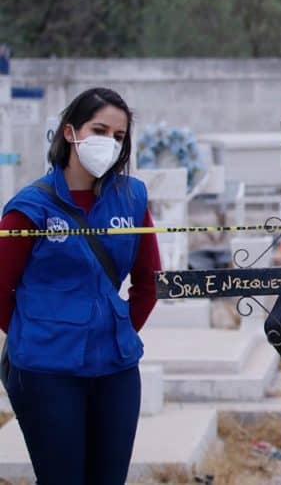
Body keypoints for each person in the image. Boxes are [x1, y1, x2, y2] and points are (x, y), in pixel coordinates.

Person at [0, 87, 162, 484]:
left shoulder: (132, 197)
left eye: (119, 136)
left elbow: (148, 281)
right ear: (71, 132)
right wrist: (39, 332)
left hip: (116, 370)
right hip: (47, 371)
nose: (109, 142)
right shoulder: (30, 207)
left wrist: (118, 328)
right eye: (100, 129)